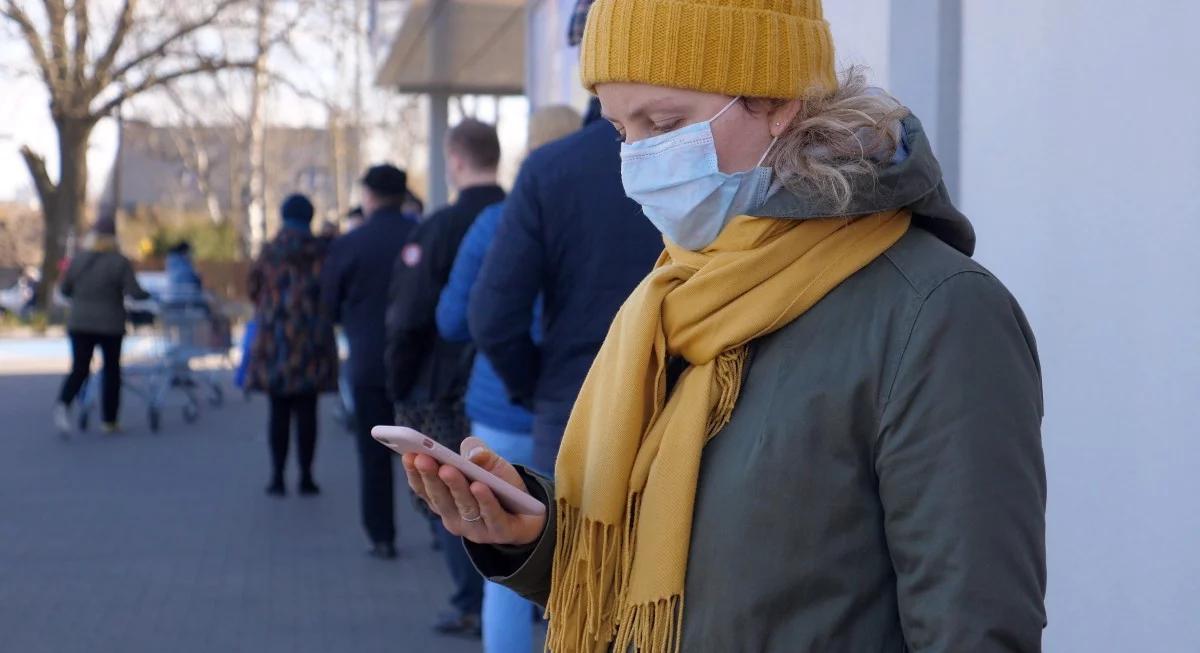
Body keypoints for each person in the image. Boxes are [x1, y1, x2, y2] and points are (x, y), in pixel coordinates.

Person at [407, 1, 1047, 651]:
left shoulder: (937, 315)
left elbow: (975, 628)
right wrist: (539, 537)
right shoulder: (679, 292)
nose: (639, 163)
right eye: (623, 132)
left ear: (777, 100)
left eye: (665, 122)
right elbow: (691, 581)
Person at [435, 105, 580, 653]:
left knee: (507, 563)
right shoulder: (620, 210)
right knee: (589, 556)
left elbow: (455, 318)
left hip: (503, 410)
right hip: (586, 407)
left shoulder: (500, 219)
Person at [468, 99, 663, 473]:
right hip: (688, 398)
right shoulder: (716, 153)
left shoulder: (549, 169)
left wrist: (538, 388)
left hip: (572, 404)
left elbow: (492, 317)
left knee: (562, 529)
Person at [385, 118, 506, 639]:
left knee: (449, 497)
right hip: (507, 383)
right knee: (504, 493)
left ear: (455, 160)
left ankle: (470, 601)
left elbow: (410, 317)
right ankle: (510, 593)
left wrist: (398, 382)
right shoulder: (521, 218)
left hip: (439, 387)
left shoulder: (436, 229)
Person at [321, 164, 418, 559]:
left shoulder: (350, 244)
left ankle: (382, 535)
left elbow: (329, 305)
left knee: (373, 452)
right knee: (428, 450)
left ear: (369, 196)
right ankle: (441, 525)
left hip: (368, 363)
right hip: (419, 364)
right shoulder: (421, 235)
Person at [245, 194, 339, 497]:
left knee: (278, 410)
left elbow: (252, 290)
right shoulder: (322, 252)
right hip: (311, 342)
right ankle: (307, 477)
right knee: (308, 412)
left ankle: (276, 477)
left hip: (275, 343)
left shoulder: (269, 252)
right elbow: (333, 293)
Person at [55, 213, 150, 435]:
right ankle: (110, 420)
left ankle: (63, 403)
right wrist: (148, 296)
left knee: (80, 367)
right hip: (111, 324)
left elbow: (64, 290)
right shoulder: (119, 262)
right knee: (111, 371)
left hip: (79, 323)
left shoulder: (79, 260)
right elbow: (134, 292)